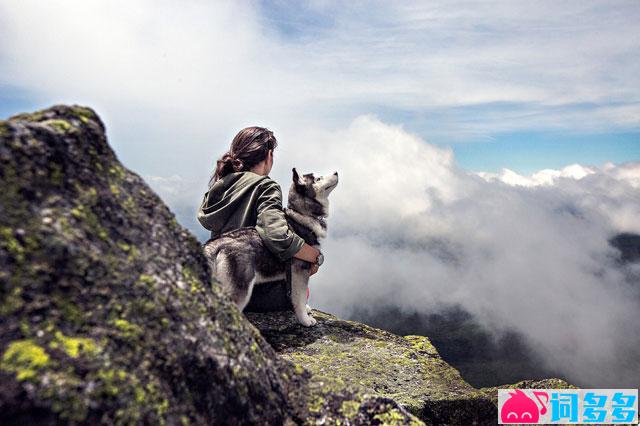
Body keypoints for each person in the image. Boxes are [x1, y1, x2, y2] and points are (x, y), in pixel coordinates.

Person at [197, 126, 322, 278]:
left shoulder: (222, 185)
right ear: (269, 155)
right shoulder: (265, 186)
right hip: (254, 285)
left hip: (220, 279)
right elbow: (276, 234)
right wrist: (315, 256)